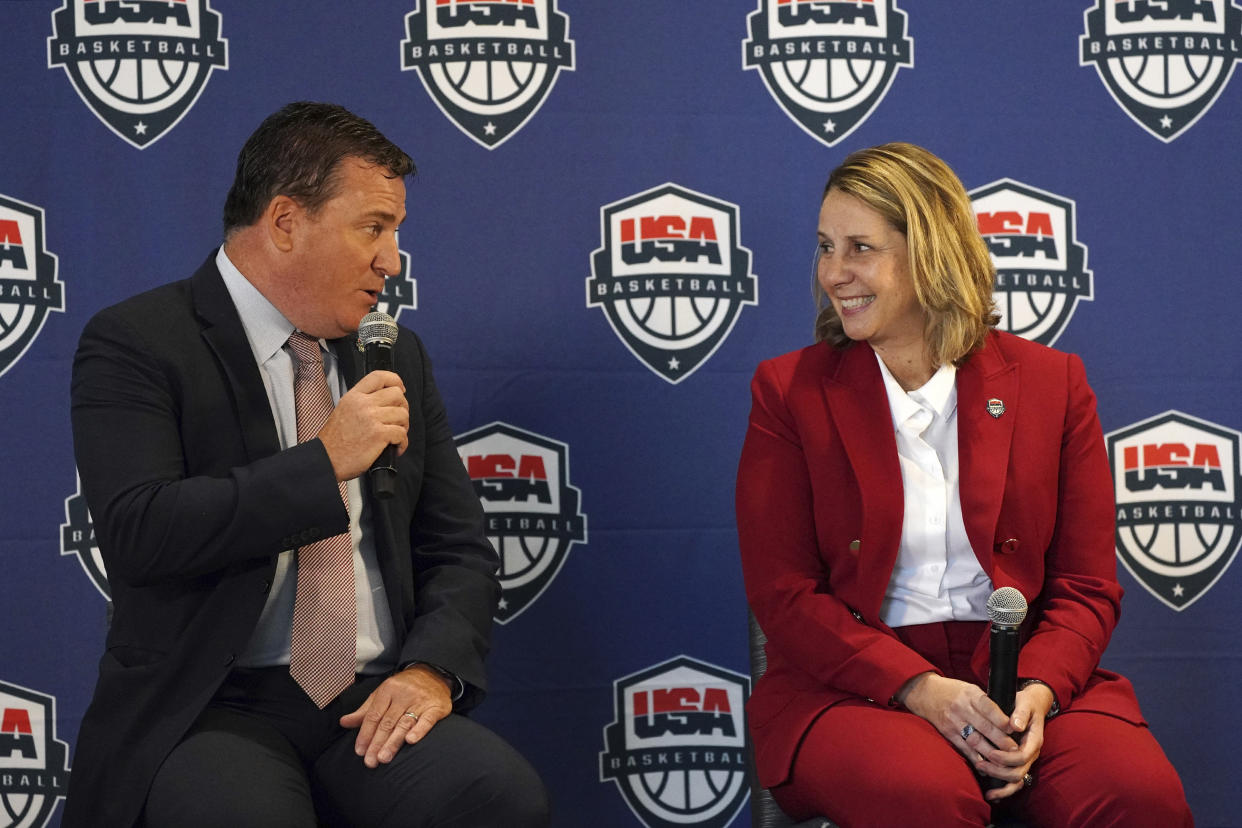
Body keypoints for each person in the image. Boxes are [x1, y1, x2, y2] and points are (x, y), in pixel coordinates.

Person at [65, 102, 549, 828]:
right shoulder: (139, 342)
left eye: (395, 232)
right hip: (211, 702)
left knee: (498, 796)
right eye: (373, 227)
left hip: (369, 699)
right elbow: (141, 530)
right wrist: (322, 464)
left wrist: (430, 670)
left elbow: (458, 551)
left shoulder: (396, 356)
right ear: (286, 222)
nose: (392, 260)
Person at [735, 142, 1192, 827]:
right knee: (927, 797)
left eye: (860, 247)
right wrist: (917, 688)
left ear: (931, 252)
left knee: (1133, 792)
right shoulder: (788, 392)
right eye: (826, 246)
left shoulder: (1053, 384)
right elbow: (785, 595)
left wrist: (1038, 689)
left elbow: (1086, 586)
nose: (833, 273)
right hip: (854, 684)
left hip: (1022, 668)